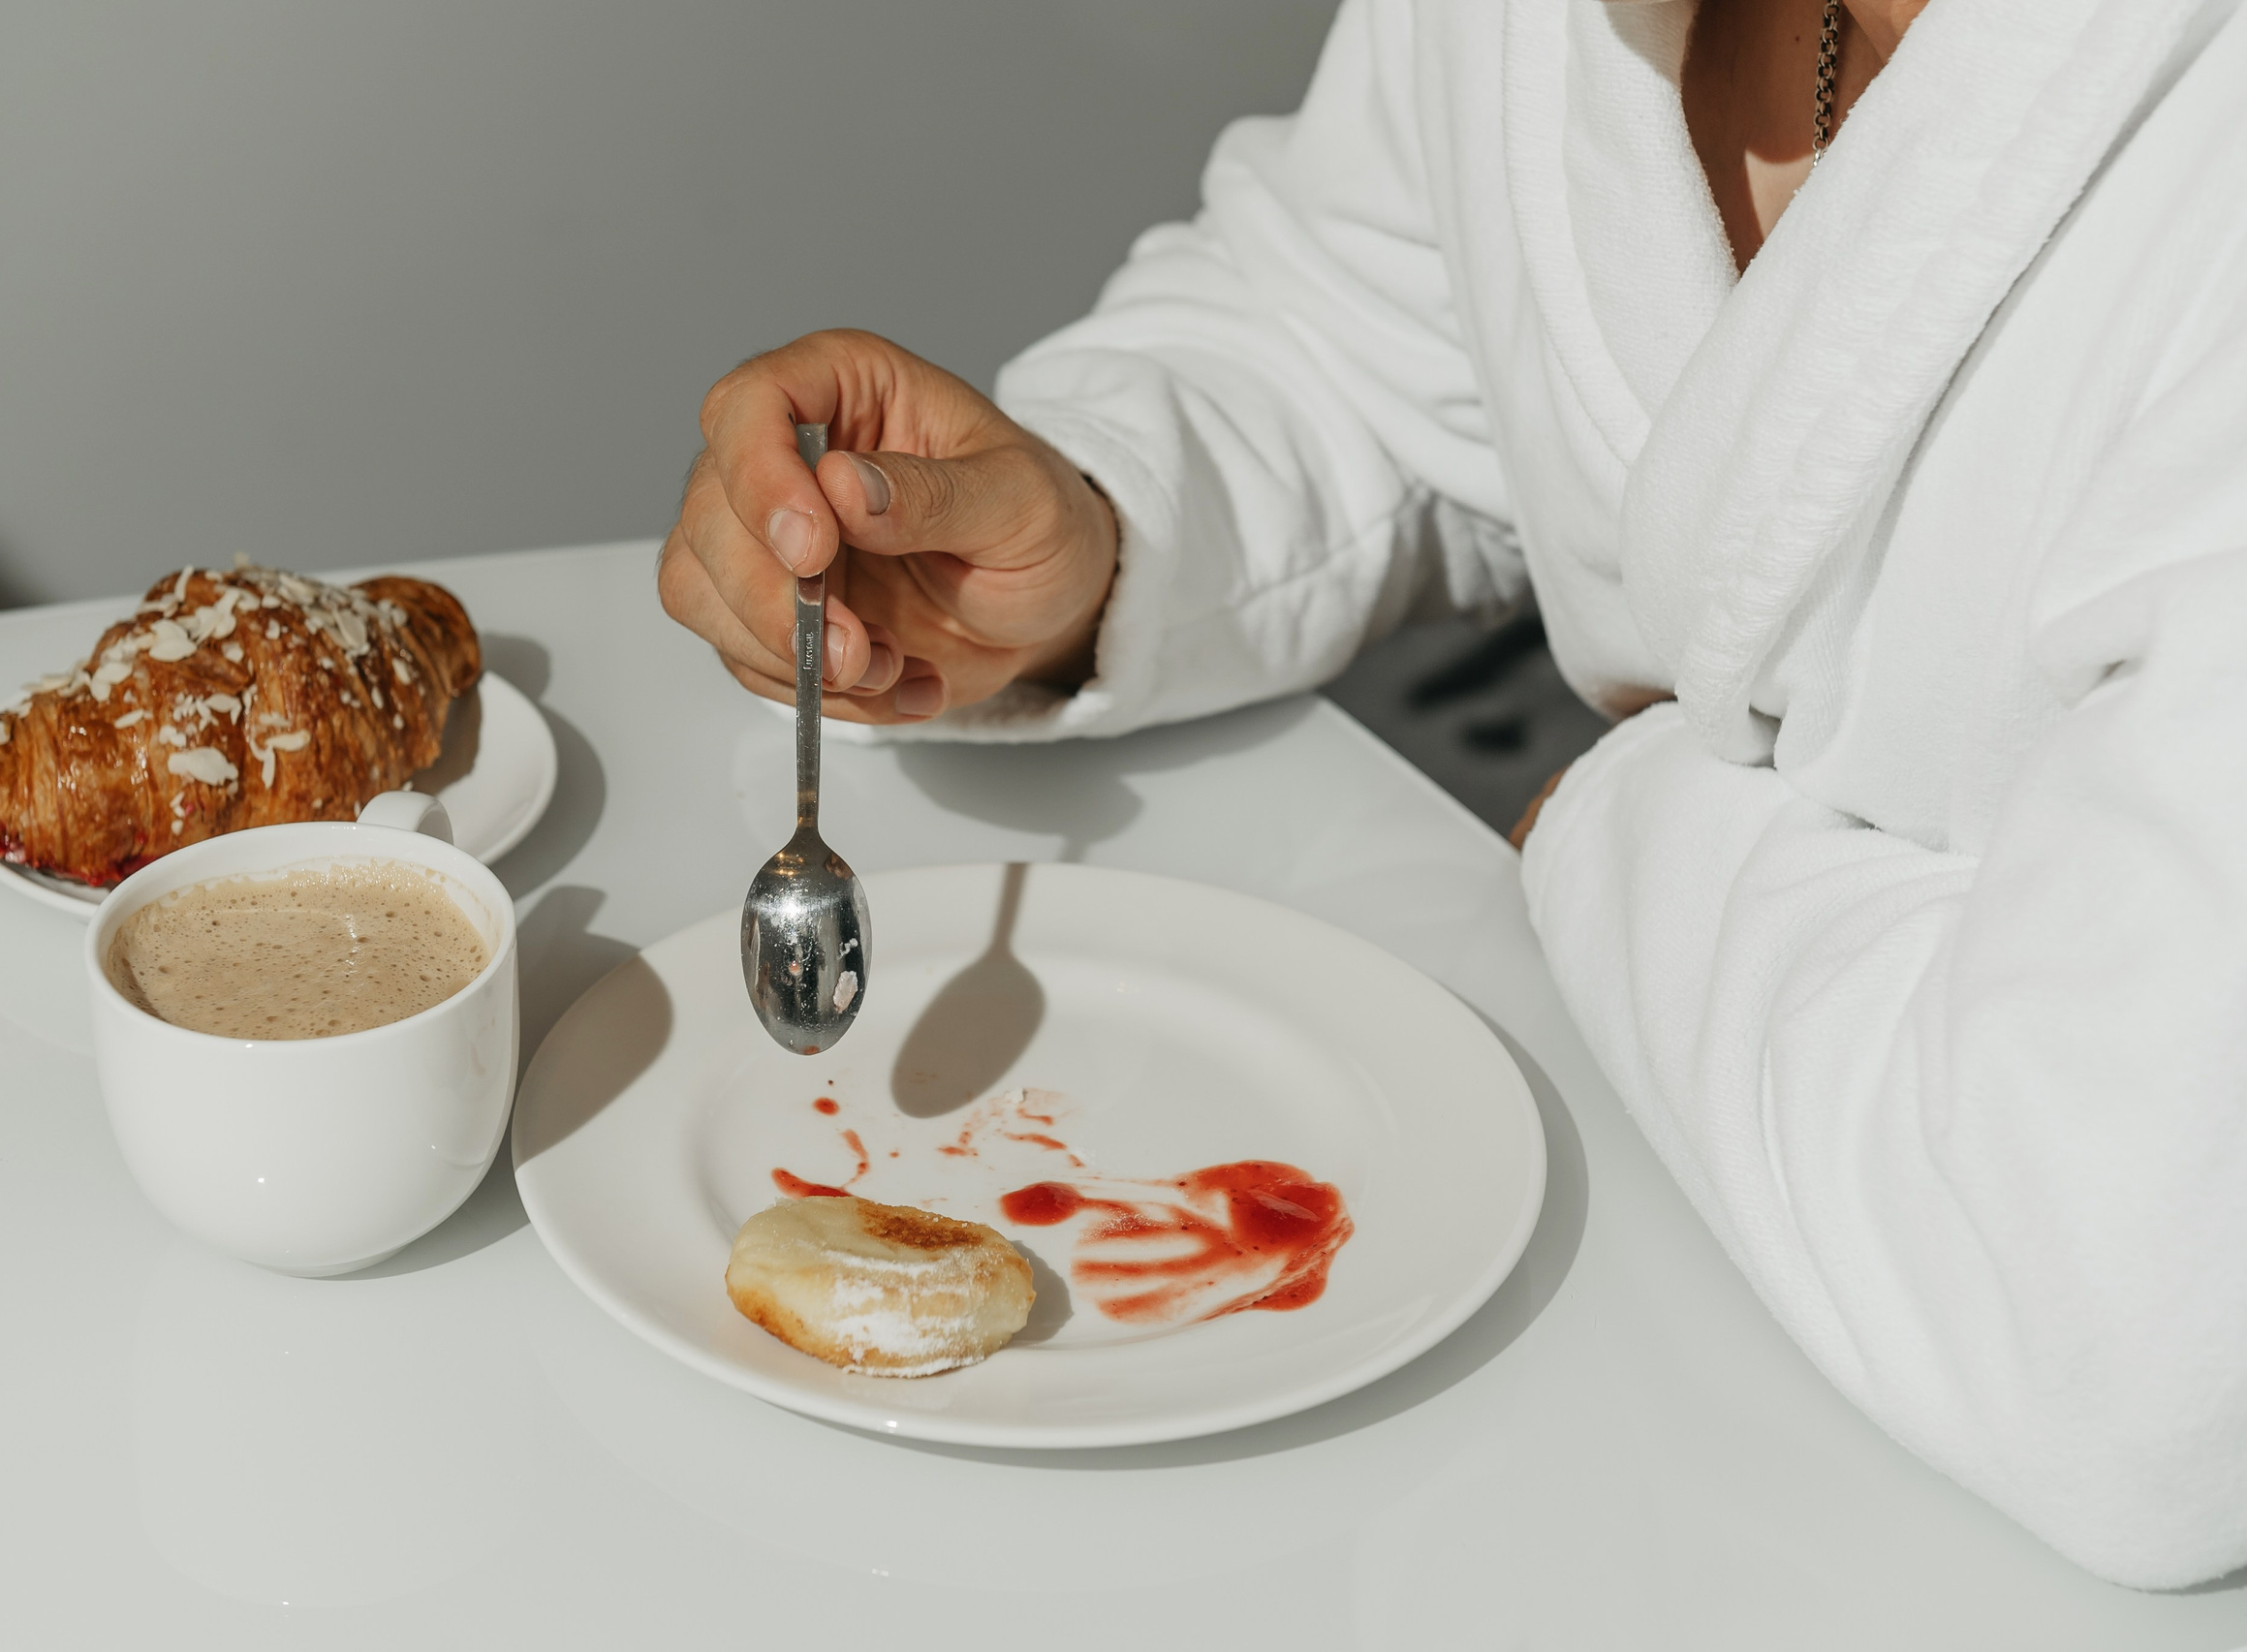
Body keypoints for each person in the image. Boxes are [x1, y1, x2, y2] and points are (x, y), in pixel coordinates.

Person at [657, 0, 2247, 1591]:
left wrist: (1627, 826)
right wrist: (1083, 533)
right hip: (1578, 1432)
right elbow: (1371, 328)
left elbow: (2121, 1321)